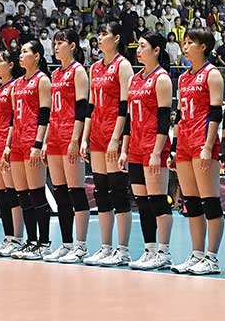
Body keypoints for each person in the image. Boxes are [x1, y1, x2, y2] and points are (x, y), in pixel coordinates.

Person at [169, 29, 225, 275]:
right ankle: (197, 254)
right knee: (191, 203)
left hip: (203, 142)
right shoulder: (183, 78)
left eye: (191, 42)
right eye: (185, 42)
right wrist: (173, 147)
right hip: (184, 142)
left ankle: (212, 258)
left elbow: (216, 113)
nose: (186, 45)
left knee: (210, 201)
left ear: (203, 46)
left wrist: (208, 146)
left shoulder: (212, 74)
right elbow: (180, 115)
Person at [81, 22, 134, 267]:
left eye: (104, 34)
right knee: (101, 191)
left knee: (118, 190)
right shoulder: (94, 67)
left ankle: (122, 249)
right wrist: (84, 137)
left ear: (116, 38)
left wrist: (116, 137)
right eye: (98, 33)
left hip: (113, 132)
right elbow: (90, 107)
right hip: (97, 134)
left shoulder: (123, 66)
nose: (99, 38)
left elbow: (126, 106)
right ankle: (105, 247)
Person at [123, 32, 173, 271]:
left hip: (154, 146)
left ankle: (163, 252)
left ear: (156, 50)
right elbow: (128, 119)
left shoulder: (161, 78)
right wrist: (124, 148)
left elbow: (164, 120)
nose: (138, 50)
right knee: (142, 202)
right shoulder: (135, 79)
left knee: (157, 201)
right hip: (135, 146)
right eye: (138, 46)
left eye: (143, 46)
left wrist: (156, 151)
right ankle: (149, 249)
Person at [43, 29, 91, 263]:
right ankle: (66, 243)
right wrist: (44, 141)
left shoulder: (78, 71)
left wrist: (76, 138)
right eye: (54, 43)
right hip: (54, 136)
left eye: (60, 42)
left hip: (70, 135)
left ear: (72, 46)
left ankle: (81, 245)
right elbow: (52, 108)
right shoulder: (55, 74)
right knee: (60, 192)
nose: (56, 46)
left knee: (76, 190)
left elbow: (82, 108)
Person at [6, 40, 53, 260]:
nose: (21, 55)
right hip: (16, 142)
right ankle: (30, 241)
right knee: (23, 195)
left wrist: (38, 144)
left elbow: (45, 114)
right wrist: (7, 144)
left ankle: (44, 242)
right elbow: (13, 118)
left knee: (36, 193)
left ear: (37, 56)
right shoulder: (16, 85)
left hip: (32, 140)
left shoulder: (42, 80)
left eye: (25, 51)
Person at [0, 51, 24, 257]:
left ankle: (17, 238)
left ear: (10, 65)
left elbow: (13, 120)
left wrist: (7, 145)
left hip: (6, 144)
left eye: (1, 61)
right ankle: (8, 237)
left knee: (12, 193)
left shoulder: (14, 87)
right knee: (1, 195)